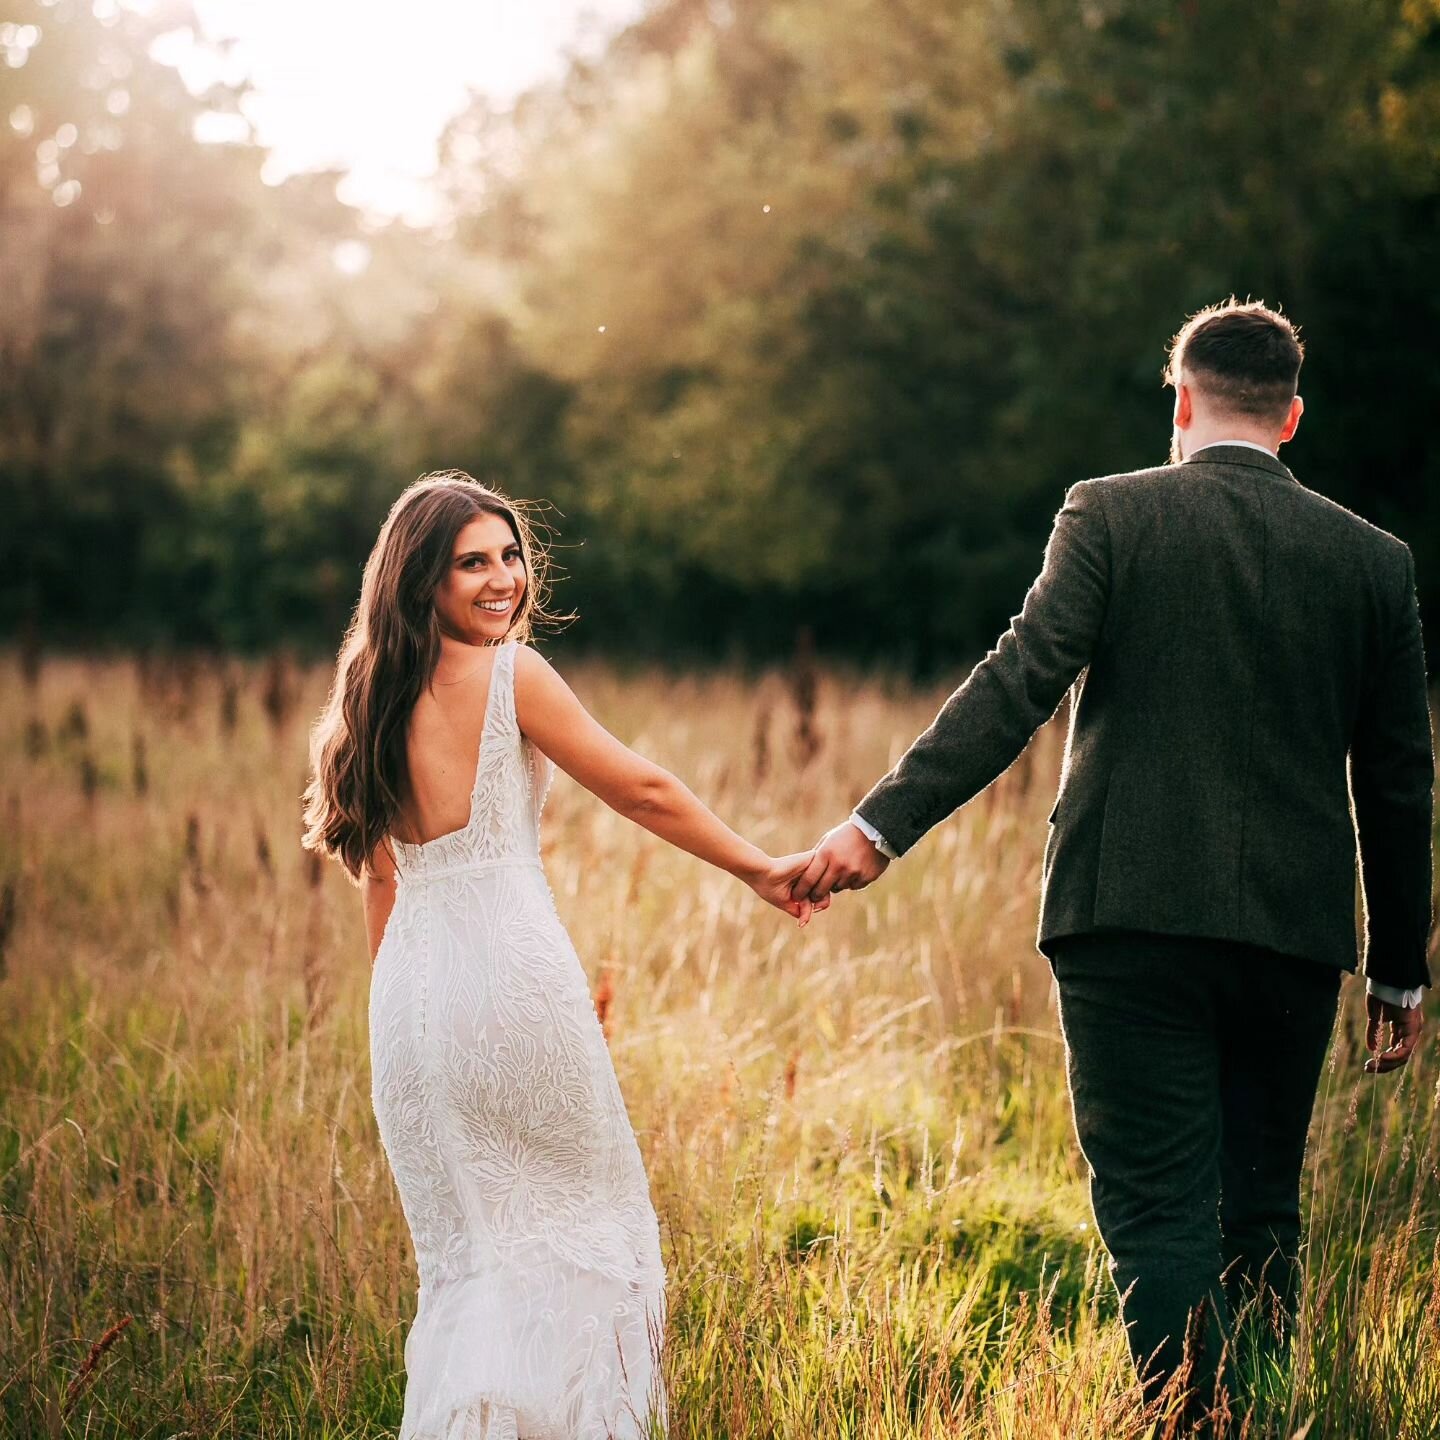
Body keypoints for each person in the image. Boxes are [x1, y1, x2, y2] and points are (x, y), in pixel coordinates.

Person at [793, 299, 1433, 1421]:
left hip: (1125, 916)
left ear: (1179, 403)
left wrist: (878, 827)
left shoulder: (1111, 512)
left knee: (1156, 1210)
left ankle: (1199, 1422)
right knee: (1259, 1210)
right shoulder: (1373, 561)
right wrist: (1399, 968)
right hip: (1293, 934)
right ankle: (1253, 1414)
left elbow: (1018, 680)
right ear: (1293, 418)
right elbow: (1398, 778)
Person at [302, 471, 822, 1440]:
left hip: (411, 1008)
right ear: (421, 580)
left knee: (474, 1269)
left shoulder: (366, 697)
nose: (503, 580)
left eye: (510, 555)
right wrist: (759, 869)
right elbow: (642, 789)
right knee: (593, 1240)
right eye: (472, 564)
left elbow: (381, 884)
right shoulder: (512, 676)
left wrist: (406, 1022)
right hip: (508, 980)